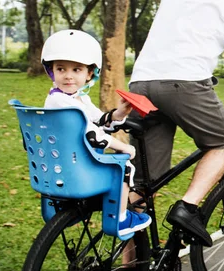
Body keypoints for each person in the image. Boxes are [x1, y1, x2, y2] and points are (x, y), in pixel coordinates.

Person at [128, 0, 224, 246]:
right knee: (223, 142)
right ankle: (186, 209)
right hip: (184, 81)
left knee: (144, 188)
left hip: (140, 84)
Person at [42, 29, 152, 236]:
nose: (68, 76)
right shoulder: (60, 101)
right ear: (51, 71)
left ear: (89, 74)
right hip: (74, 165)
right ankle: (120, 219)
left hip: (68, 162)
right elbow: (91, 133)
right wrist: (123, 146)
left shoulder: (78, 98)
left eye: (76, 70)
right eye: (61, 69)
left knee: (115, 164)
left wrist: (117, 114)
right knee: (124, 168)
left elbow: (98, 120)